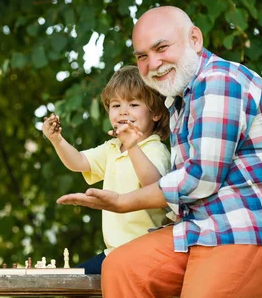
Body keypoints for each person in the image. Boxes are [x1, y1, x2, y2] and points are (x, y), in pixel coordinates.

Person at [57, 6, 262, 297]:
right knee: (121, 266)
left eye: (162, 47)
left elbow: (201, 178)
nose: (153, 63)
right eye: (142, 56)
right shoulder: (178, 102)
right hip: (202, 230)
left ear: (194, 39)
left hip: (252, 227)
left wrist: (122, 201)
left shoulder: (220, 80)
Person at [43, 66, 170, 274]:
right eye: (116, 105)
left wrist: (132, 146)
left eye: (134, 104)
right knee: (72, 286)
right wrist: (56, 140)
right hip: (114, 252)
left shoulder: (155, 149)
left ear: (155, 113)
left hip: (146, 252)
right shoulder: (112, 148)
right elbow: (79, 162)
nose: (123, 111)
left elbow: (154, 186)